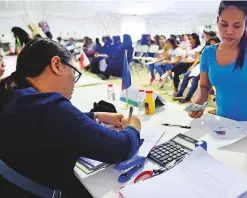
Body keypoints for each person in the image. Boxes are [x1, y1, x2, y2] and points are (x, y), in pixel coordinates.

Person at [0, 38, 142, 197]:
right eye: (74, 72)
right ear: (56, 65)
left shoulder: (16, 95)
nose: (74, 82)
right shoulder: (48, 105)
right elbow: (120, 148)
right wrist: (134, 126)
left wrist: (97, 115)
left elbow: (51, 122)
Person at [189, 0, 247, 133]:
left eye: (237, 26)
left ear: (246, 24)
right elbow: (204, 86)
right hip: (222, 123)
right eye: (224, 24)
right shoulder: (208, 52)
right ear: (217, 21)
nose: (229, 31)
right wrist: (198, 103)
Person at [175, 36, 221, 104]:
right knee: (186, 75)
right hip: (201, 66)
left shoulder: (220, 51)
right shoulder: (206, 49)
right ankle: (180, 93)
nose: (212, 46)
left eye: (214, 44)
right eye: (210, 44)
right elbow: (200, 59)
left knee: (196, 78)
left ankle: (188, 97)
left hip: (211, 68)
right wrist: (193, 66)